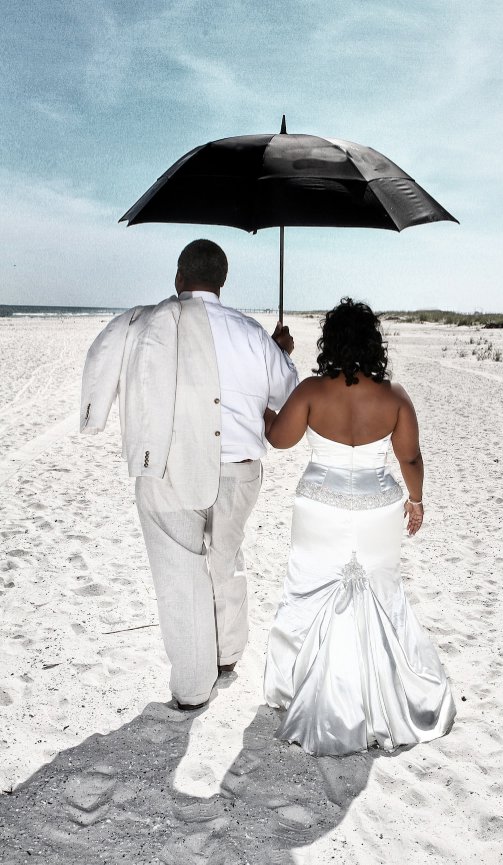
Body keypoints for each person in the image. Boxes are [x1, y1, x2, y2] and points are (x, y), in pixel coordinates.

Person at [80, 239, 298, 710]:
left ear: (179, 278)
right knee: (226, 556)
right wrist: (280, 352)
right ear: (223, 281)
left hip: (170, 470)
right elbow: (288, 396)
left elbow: (104, 363)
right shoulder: (251, 332)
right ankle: (228, 652)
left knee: (180, 574)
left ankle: (194, 687)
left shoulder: (149, 324)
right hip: (240, 471)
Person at [263, 297, 455, 756]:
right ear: (374, 344)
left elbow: (279, 440)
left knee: (310, 589)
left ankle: (301, 686)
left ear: (330, 341)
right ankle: (380, 694)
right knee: (381, 591)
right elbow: (409, 457)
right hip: (376, 509)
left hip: (319, 509)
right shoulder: (394, 398)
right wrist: (417, 500)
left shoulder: (311, 390)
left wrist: (269, 411)